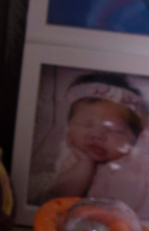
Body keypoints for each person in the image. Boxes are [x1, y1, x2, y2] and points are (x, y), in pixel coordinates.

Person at [46, 72, 149, 206]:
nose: (97, 135)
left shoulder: (133, 166)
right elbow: (60, 199)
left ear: (135, 139)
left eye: (114, 129)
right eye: (85, 124)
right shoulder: (71, 158)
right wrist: (84, 164)